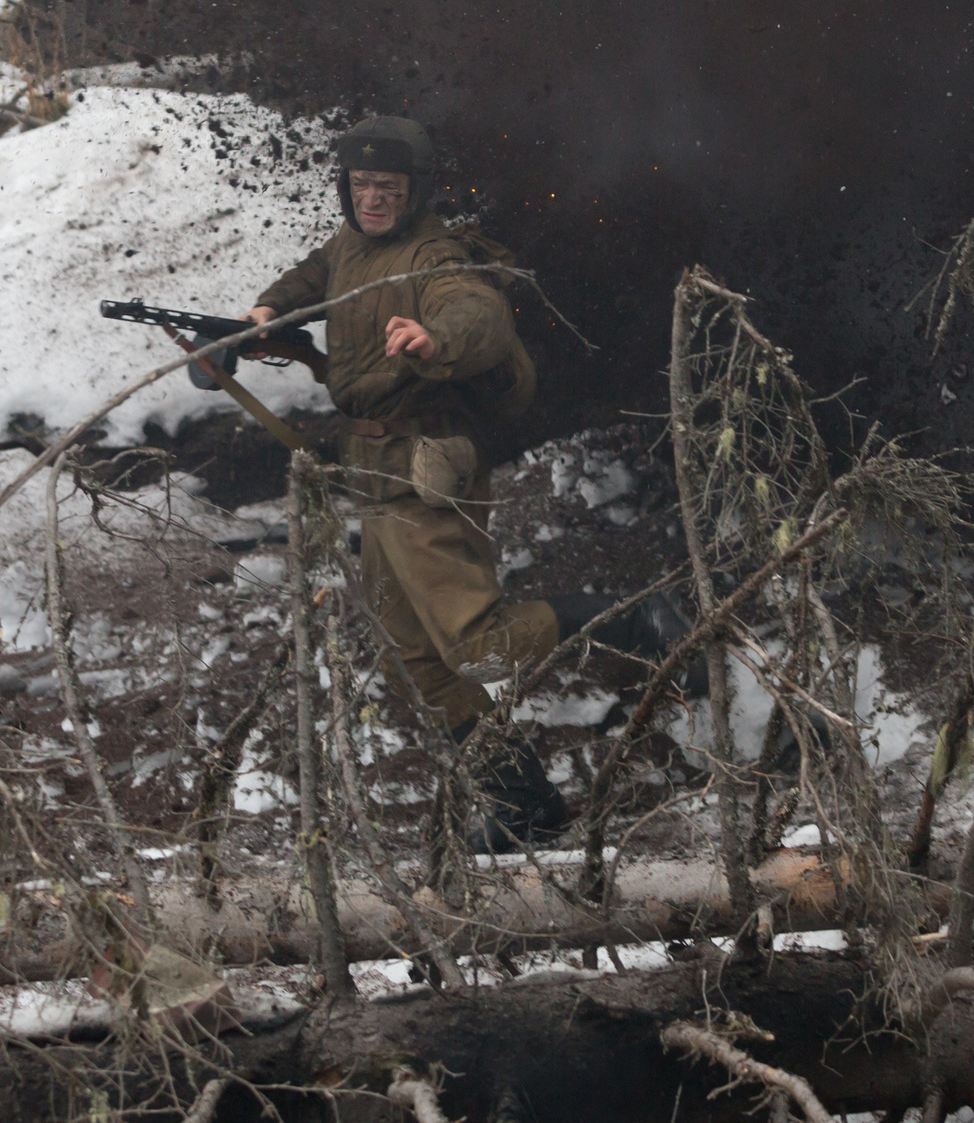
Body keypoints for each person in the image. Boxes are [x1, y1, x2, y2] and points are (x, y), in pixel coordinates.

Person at [239, 116, 691, 850]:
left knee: (480, 647)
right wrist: (265, 311)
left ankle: (640, 619)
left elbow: (477, 313)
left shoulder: (435, 255)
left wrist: (433, 338)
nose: (374, 199)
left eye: (388, 188)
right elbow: (313, 275)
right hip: (375, 476)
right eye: (361, 186)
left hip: (424, 467)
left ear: (415, 191)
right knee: (416, 658)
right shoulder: (352, 242)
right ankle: (523, 802)